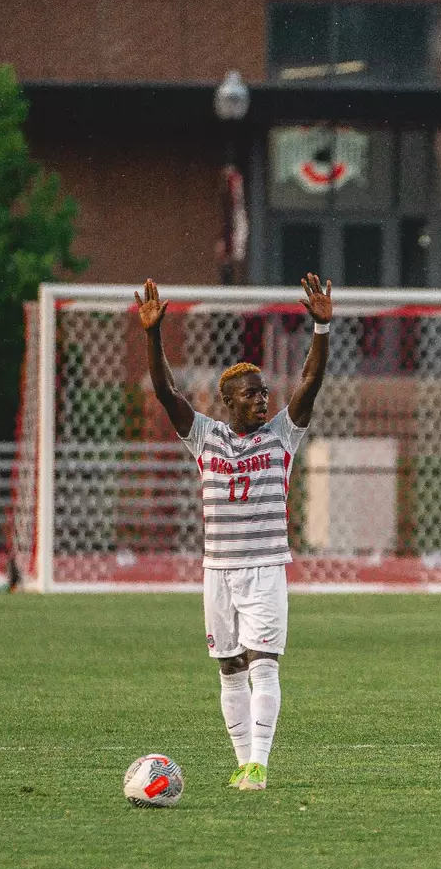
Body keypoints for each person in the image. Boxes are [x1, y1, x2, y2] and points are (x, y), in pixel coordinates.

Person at [133, 273, 334, 789]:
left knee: (262, 664)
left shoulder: (283, 436)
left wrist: (321, 329)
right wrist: (153, 335)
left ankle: (259, 765)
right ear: (228, 403)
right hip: (217, 571)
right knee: (228, 668)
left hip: (265, 567)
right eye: (250, 395)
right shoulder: (204, 436)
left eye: (264, 392)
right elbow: (165, 390)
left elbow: (309, 384)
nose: (262, 400)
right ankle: (242, 762)